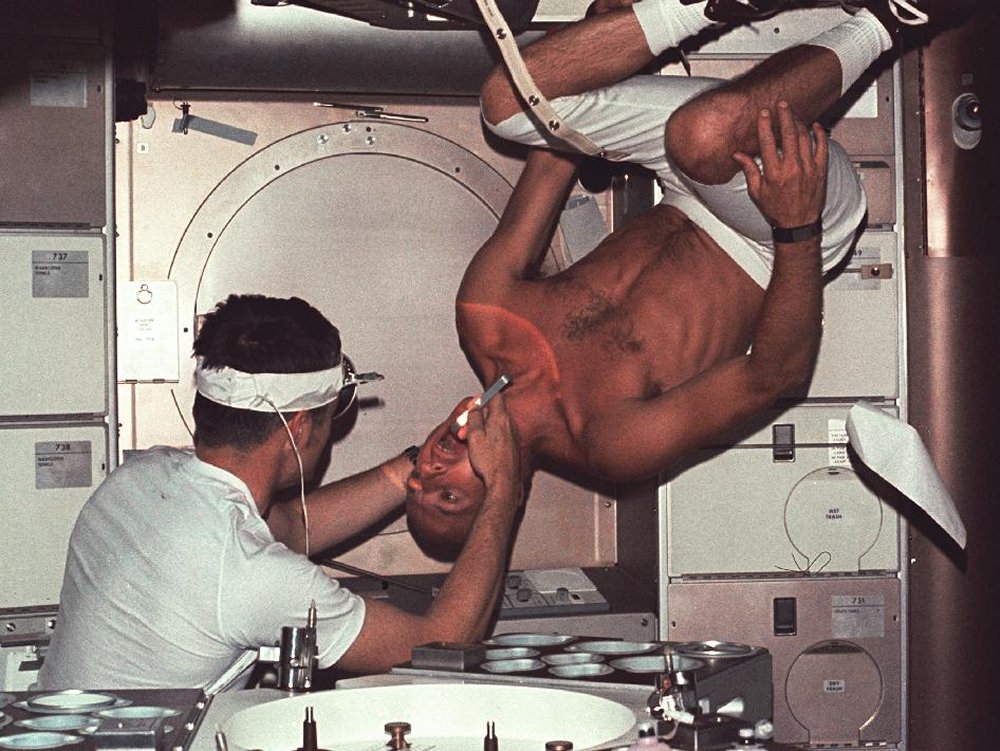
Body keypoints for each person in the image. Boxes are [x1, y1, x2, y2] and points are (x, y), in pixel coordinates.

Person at [405, 0, 965, 550]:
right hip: (778, 235)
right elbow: (775, 376)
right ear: (510, 495)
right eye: (446, 496)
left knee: (505, 104)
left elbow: (555, 148)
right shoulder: (609, 444)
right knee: (701, 136)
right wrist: (797, 226)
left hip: (681, 184)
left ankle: (715, 5)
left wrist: (603, 41)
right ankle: (892, 18)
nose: (431, 468)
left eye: (416, 479)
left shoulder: (484, 317)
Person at [38, 294, 523, 690]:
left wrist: (412, 467)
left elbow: (285, 528)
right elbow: (440, 642)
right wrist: (504, 485)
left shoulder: (139, 480)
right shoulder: (250, 573)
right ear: (300, 426)